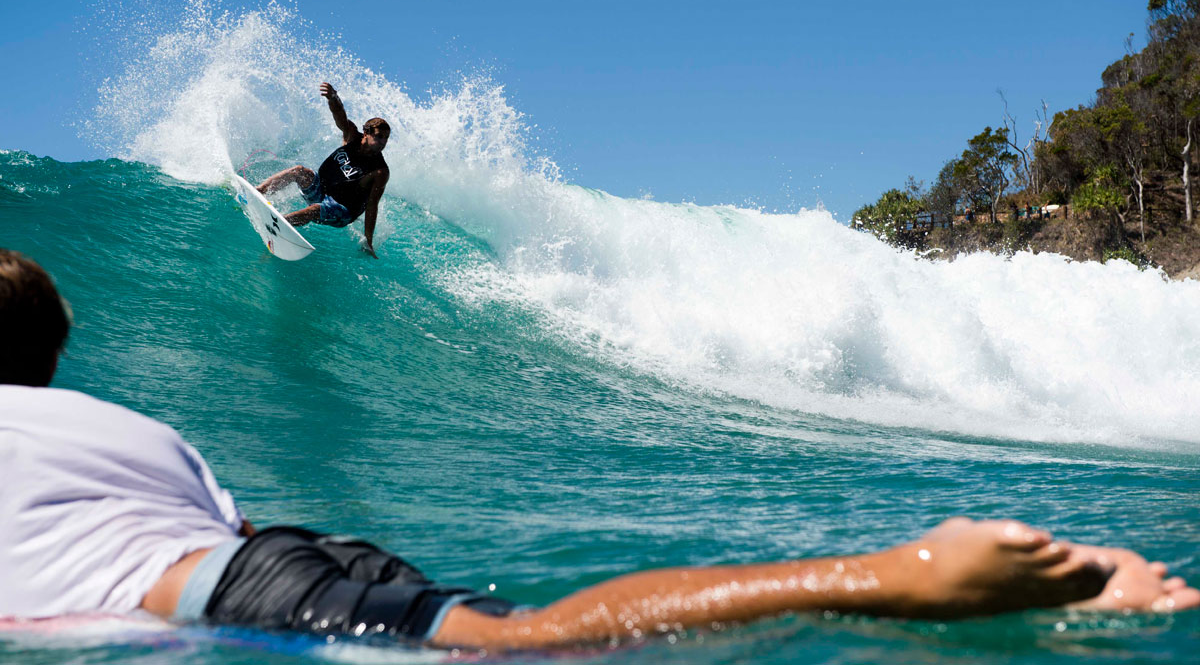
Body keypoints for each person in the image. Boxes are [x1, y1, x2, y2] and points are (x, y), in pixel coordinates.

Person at [0, 249, 1196, 653]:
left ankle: (898, 573)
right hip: (277, 559)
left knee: (537, 644)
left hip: (219, 590)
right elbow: (239, 527)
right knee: (564, 651)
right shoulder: (123, 422)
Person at [256, 83, 390, 259]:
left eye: (386, 138)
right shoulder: (351, 137)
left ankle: (279, 226)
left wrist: (368, 240)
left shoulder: (379, 171)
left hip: (342, 210)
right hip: (322, 191)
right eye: (379, 136)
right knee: (299, 171)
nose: (383, 142)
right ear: (366, 132)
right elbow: (340, 116)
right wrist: (333, 98)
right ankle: (259, 192)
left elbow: (372, 206)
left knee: (314, 210)